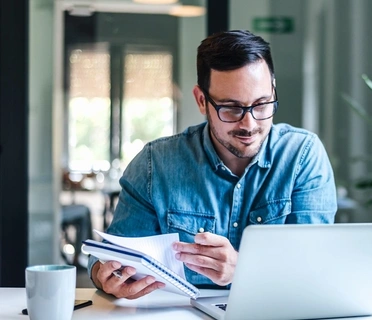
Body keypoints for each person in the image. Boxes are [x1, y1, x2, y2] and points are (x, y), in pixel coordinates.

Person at [88, 30, 337, 299]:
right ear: (201, 101)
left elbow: (314, 270)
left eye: (262, 104)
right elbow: (109, 261)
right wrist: (105, 277)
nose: (250, 124)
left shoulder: (302, 156)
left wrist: (244, 268)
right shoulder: (155, 165)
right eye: (231, 108)